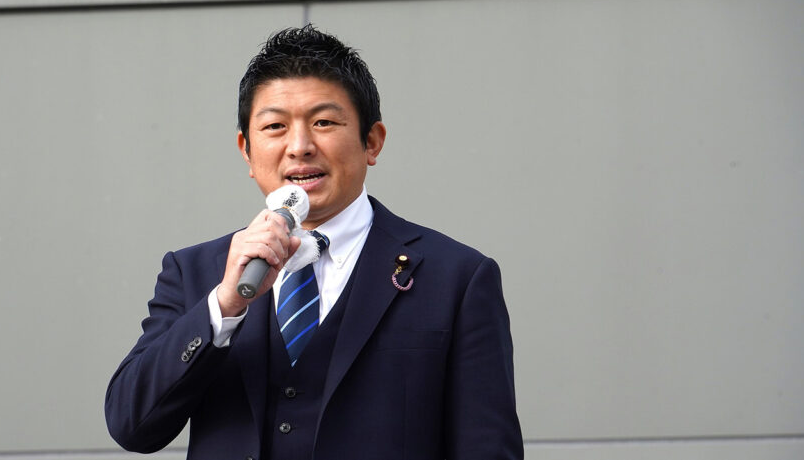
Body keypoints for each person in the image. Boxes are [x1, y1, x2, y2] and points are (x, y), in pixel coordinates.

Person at [105, 25, 523, 459]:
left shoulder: (456, 277)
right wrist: (224, 306)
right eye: (275, 127)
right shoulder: (196, 272)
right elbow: (131, 425)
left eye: (324, 122)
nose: (300, 147)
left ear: (372, 142)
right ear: (246, 150)